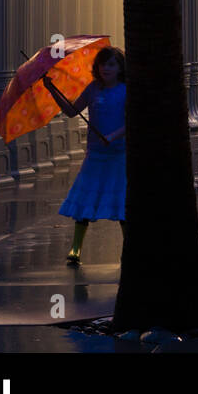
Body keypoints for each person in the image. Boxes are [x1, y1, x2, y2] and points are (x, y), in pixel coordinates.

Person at [43, 46, 127, 266]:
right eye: (102, 64)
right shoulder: (93, 89)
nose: (106, 68)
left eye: (111, 64)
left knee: (122, 203)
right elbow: (72, 111)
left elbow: (133, 120)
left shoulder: (126, 90)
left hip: (119, 154)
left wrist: (113, 135)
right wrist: (53, 90)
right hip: (96, 155)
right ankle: (76, 248)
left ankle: (129, 249)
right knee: (84, 203)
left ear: (120, 68)